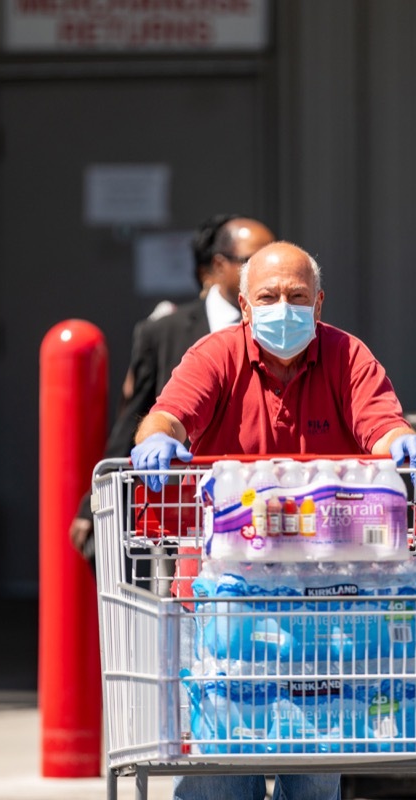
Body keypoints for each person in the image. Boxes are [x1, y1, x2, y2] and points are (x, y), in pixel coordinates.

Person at [130, 241, 416, 800]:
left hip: (322, 600)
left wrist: (405, 443)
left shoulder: (348, 356)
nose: (284, 308)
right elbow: (171, 414)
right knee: (222, 772)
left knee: (314, 767)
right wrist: (158, 441)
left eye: (297, 296)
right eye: (269, 297)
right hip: (224, 595)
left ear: (318, 305)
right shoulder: (216, 354)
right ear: (246, 307)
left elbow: (381, 422)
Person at [69, 214, 275, 560]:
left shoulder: (280, 330)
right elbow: (134, 417)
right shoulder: (164, 332)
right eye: (254, 260)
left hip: (257, 504)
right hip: (183, 509)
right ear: (220, 265)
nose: (270, 268)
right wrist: (93, 504)